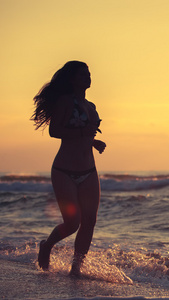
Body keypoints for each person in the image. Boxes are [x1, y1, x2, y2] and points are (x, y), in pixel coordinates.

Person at [31, 61, 106, 276]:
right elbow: (55, 131)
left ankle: (76, 268)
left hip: (89, 170)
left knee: (90, 221)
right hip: (64, 170)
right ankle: (47, 245)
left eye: (89, 73)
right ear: (72, 79)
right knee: (73, 222)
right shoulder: (65, 102)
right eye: (83, 74)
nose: (88, 77)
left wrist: (94, 142)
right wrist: (84, 135)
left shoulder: (90, 106)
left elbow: (86, 133)